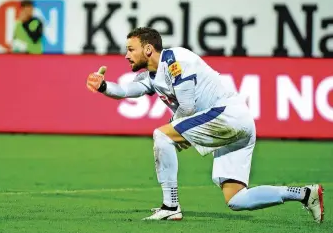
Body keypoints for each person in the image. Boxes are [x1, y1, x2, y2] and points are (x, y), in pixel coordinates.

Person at [85, 27, 324, 223]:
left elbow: (187, 107)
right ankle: (305, 194)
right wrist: (103, 86)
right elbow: (126, 90)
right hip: (237, 124)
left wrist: (174, 132)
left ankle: (170, 206)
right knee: (236, 199)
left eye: (130, 49)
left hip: (226, 114)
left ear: (148, 49)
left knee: (162, 135)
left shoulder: (174, 60)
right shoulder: (151, 75)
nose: (126, 55)